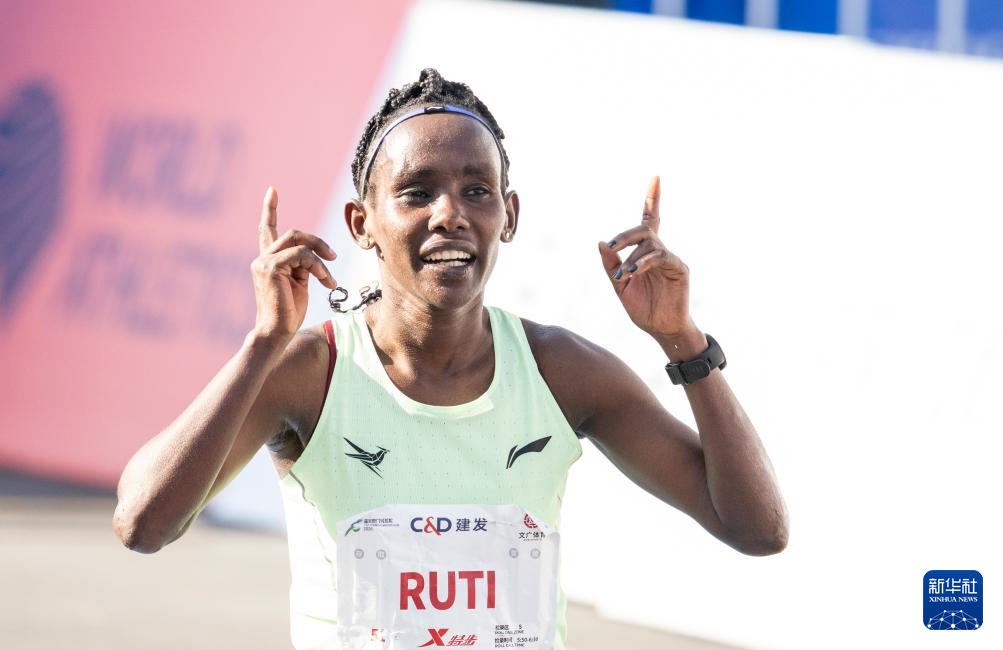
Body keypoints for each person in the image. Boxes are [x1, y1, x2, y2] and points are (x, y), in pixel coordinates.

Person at [113, 68, 789, 649]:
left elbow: (757, 529)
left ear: (509, 216)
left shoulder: (560, 372)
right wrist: (263, 344)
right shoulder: (311, 372)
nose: (449, 214)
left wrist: (682, 341)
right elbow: (143, 525)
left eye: (477, 190)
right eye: (416, 192)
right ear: (361, 224)